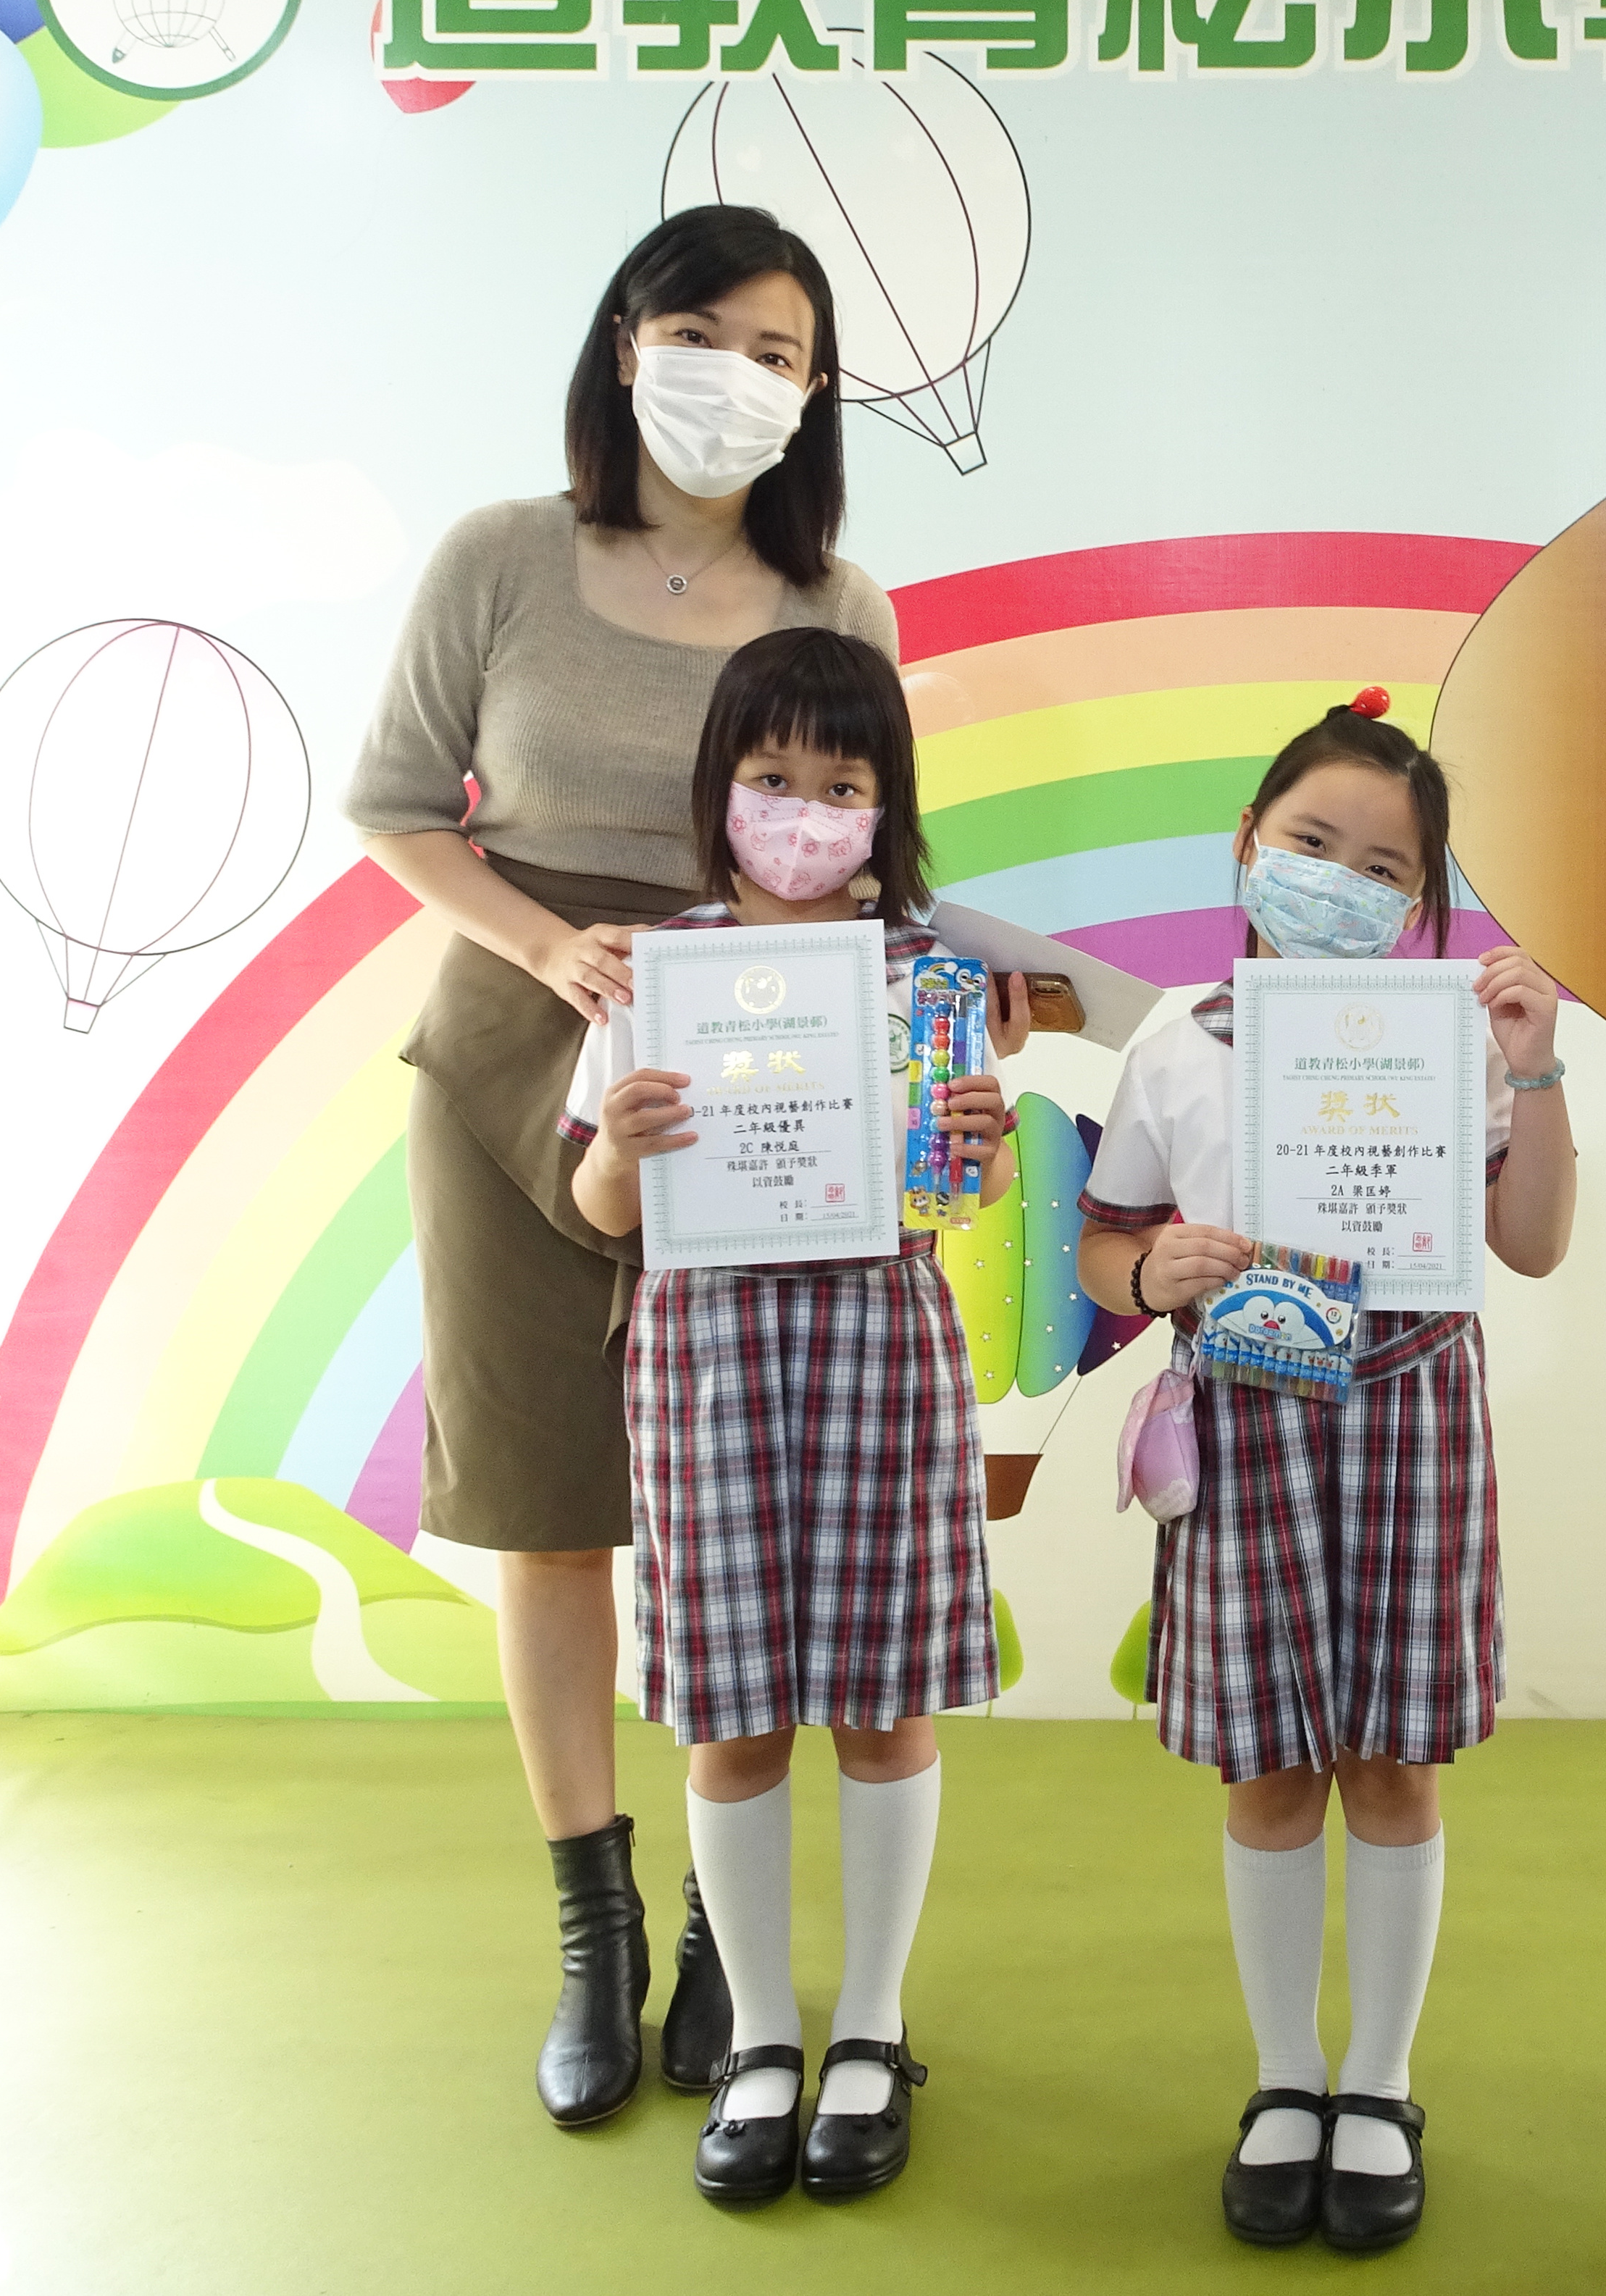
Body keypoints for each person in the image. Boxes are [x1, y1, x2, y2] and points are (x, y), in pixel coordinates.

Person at [346, 204, 901, 2127]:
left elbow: (870, 848)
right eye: (703, 333)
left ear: (815, 392)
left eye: (780, 350)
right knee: (552, 1505)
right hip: (512, 1060)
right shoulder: (500, 556)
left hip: (749, 1078)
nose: (737, 374)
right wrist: (551, 950)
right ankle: (594, 1926)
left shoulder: (840, 600)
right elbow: (396, 806)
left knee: (742, 1500)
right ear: (625, 341)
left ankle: (719, 1932)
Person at [1071, 698, 1579, 2257]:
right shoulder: (1178, 1037)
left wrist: (1539, 1072)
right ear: (1250, 843)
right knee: (1272, 1766)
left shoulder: (1458, 1039)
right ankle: (1287, 2076)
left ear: (1419, 902)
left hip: (1414, 1402)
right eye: (1313, 842)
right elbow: (1104, 1242)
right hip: (1244, 1409)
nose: (1343, 882)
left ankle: (1380, 2082)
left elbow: (1534, 1243)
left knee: (1394, 1761)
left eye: (1383, 869)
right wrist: (1150, 1270)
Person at [566, 627, 1010, 2207]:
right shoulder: (654, 972)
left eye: (841, 784)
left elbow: (961, 1195)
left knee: (886, 1706)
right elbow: (600, 1205)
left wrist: (979, 1150)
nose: (804, 812)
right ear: (721, 786)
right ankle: (762, 2036)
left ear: (886, 806)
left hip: (883, 1340)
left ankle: (872, 2026)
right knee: (736, 1717)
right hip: (706, 1360)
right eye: (773, 776)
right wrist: (619, 1147)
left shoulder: (928, 976)